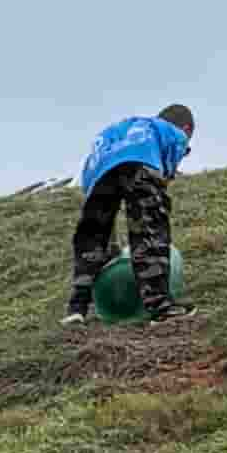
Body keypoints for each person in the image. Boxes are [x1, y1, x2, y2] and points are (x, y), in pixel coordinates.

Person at [65, 103, 195, 324]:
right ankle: (160, 308)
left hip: (99, 175)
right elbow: (168, 166)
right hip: (140, 166)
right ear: (187, 128)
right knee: (149, 233)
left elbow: (89, 171)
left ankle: (77, 308)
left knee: (93, 238)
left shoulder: (119, 130)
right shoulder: (171, 131)